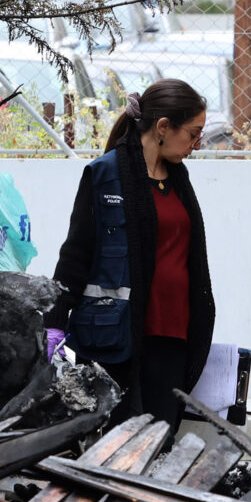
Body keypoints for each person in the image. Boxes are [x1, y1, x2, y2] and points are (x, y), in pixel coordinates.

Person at [46, 79, 216, 431]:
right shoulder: (105, 176)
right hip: (116, 338)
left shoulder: (179, 180)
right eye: (193, 133)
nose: (196, 145)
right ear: (163, 127)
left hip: (173, 336)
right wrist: (55, 323)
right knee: (118, 443)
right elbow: (76, 253)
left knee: (159, 438)